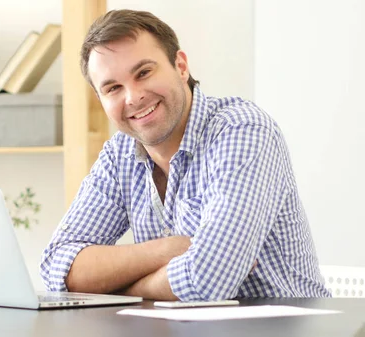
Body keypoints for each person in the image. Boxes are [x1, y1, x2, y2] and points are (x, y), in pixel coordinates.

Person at [39, 9, 330, 301]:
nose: (132, 97)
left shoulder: (242, 130)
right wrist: (166, 250)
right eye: (113, 87)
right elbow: (57, 269)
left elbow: (209, 281)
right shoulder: (119, 155)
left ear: (180, 66)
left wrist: (118, 289)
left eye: (144, 73)